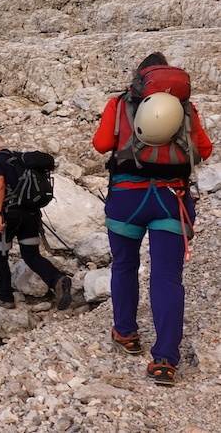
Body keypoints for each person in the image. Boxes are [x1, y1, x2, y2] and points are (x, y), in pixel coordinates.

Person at [92, 52, 213, 386]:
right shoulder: (186, 110)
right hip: (171, 200)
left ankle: (126, 334)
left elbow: (101, 144)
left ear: (139, 77)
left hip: (127, 199)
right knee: (166, 277)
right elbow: (204, 150)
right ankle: (165, 361)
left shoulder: (119, 104)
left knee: (125, 265)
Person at [0, 135, 73, 310]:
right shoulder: (21, 158)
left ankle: (5, 296)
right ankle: (57, 280)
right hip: (31, 215)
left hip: (10, 214)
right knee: (32, 255)